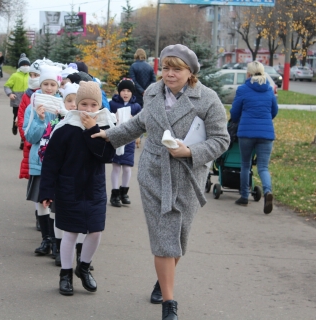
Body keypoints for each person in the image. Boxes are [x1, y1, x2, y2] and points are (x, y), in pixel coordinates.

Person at [91, 44, 229, 320]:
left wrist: (189, 152)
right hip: (154, 174)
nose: (169, 73)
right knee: (165, 239)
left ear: (190, 72)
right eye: (165, 67)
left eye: (176, 69)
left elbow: (221, 140)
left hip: (188, 178)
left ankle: (162, 279)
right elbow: (140, 123)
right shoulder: (153, 92)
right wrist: (109, 135)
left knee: (179, 240)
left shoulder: (207, 99)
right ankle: (170, 305)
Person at [38, 81, 116, 296]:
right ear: (76, 104)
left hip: (94, 189)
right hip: (68, 188)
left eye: (93, 105)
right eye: (84, 104)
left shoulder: (105, 127)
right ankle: (65, 273)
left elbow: (107, 155)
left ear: (99, 106)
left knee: (95, 232)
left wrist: (93, 129)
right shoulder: (64, 128)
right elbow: (51, 162)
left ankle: (83, 266)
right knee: (70, 233)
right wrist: (46, 191)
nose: (88, 110)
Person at [37, 82, 80, 267]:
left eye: (77, 101)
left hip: (79, 177)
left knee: (78, 215)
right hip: (60, 175)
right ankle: (58, 247)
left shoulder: (88, 124)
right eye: (69, 101)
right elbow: (44, 146)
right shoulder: (56, 123)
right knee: (57, 212)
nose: (73, 105)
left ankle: (79, 254)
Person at [23, 64, 63, 256]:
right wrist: (39, 119)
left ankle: (57, 242)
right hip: (39, 162)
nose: (48, 88)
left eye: (52, 84)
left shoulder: (63, 105)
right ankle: (46, 239)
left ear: (58, 87)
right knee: (41, 201)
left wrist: (60, 116)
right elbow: (30, 137)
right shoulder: (33, 106)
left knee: (55, 203)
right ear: (40, 85)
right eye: (45, 84)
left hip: (59, 164)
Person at [230, 61, 278, 214]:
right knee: (263, 167)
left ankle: (244, 197)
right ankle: (267, 191)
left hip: (247, 133)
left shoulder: (243, 89)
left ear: (248, 73)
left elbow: (235, 113)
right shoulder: (269, 90)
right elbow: (274, 111)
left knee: (245, 164)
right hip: (266, 133)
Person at [17, 59, 43, 231]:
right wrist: (26, 139)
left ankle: (43, 217)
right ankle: (39, 216)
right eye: (31, 75)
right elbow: (22, 119)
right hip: (31, 145)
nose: (33, 78)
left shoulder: (56, 101)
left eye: (36, 75)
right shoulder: (27, 96)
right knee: (35, 179)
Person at [108, 78, 142, 207]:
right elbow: (107, 118)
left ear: (132, 93)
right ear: (119, 91)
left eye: (128, 91)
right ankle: (114, 193)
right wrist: (114, 117)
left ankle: (124, 192)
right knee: (116, 166)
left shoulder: (136, 106)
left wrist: (134, 120)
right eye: (123, 90)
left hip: (129, 140)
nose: (125, 93)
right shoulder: (113, 104)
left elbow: (141, 123)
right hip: (116, 138)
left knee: (127, 168)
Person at [4, 53, 30, 138]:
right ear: (20, 66)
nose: (25, 66)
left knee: (25, 119)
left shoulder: (30, 76)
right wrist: (10, 94)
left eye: (27, 65)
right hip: (17, 100)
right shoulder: (15, 76)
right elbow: (7, 86)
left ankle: (23, 139)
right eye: (23, 65)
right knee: (17, 116)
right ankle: (15, 125)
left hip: (27, 101)